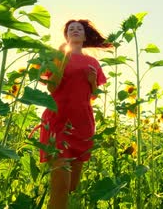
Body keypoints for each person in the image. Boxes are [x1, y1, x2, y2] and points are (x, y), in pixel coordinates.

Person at [37, 19, 111, 209]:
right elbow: (52, 88)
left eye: (79, 29)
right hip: (57, 121)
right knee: (60, 186)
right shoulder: (56, 57)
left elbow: (92, 95)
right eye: (71, 29)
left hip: (83, 124)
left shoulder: (92, 62)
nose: (76, 31)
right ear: (67, 36)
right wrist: (62, 61)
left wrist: (93, 81)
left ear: (85, 37)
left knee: (72, 186)